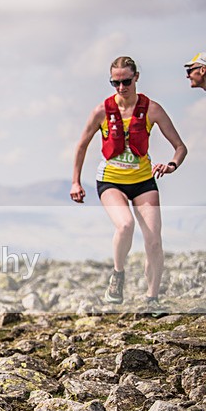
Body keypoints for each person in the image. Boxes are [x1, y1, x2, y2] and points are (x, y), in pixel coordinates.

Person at [70, 56, 187, 313]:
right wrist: (76, 181)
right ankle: (118, 275)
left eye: (126, 81)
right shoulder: (101, 111)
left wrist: (171, 165)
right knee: (125, 224)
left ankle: (152, 299)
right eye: (115, 82)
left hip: (144, 181)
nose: (121, 87)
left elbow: (180, 147)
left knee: (154, 241)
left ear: (136, 78)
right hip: (111, 180)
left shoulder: (152, 109)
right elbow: (81, 145)